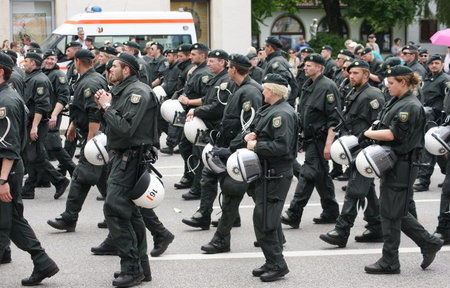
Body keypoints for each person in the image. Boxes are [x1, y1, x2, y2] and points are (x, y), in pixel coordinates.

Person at [362, 65, 443, 274]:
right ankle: (428, 242)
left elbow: (393, 135)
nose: (387, 86)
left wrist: (369, 133)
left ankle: (390, 261)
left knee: (390, 212)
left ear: (403, 83)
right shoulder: (397, 101)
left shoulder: (409, 106)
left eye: (391, 83)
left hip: (403, 164)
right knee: (394, 210)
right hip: (392, 162)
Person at [95, 53, 157, 287]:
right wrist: (105, 106)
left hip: (130, 159)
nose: (109, 71)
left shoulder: (137, 92)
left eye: (114, 67)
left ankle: (131, 268)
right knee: (130, 213)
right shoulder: (124, 90)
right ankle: (141, 267)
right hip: (122, 157)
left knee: (115, 209)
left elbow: (125, 128)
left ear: (127, 70)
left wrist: (107, 106)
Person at [0, 52, 60, 286]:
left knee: (10, 221)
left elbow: (9, 145)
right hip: (7, 170)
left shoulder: (6, 102)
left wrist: (3, 180)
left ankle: (42, 260)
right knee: (12, 219)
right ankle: (42, 261)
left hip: (7, 170)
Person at [200, 54, 263, 253]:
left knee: (234, 193)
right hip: (235, 149)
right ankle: (273, 235)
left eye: (228, 68)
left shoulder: (250, 92)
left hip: (242, 152)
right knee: (255, 194)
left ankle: (221, 240)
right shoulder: (238, 88)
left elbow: (250, 126)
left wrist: (231, 148)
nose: (227, 71)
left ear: (233, 69)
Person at [320, 59, 385, 248]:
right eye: (350, 72)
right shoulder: (353, 92)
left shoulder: (373, 95)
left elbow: (379, 126)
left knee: (354, 191)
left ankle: (341, 231)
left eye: (356, 73)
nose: (351, 76)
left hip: (366, 151)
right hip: (354, 149)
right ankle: (376, 226)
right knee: (368, 190)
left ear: (366, 74)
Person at [47, 49, 108, 231]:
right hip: (96, 139)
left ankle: (69, 218)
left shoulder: (91, 82)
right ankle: (116, 215)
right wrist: (73, 124)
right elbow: (81, 108)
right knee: (105, 180)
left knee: (80, 178)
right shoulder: (86, 79)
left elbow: (94, 115)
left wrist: (90, 145)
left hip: (96, 140)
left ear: (78, 62)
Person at [244, 73, 298, 282]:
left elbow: (281, 146)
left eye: (265, 88)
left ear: (274, 91)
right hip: (267, 173)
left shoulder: (281, 114)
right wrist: (252, 136)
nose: (262, 91)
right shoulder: (272, 110)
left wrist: (256, 145)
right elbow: (263, 132)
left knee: (265, 218)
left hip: (276, 173)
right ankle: (271, 260)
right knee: (267, 218)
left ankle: (278, 264)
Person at [281, 53, 340, 228]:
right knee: (320, 175)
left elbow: (334, 119)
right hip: (309, 138)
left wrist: (329, 143)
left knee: (307, 174)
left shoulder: (328, 86)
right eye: (305, 65)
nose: (305, 67)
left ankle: (294, 213)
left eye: (309, 65)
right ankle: (331, 211)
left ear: (320, 67)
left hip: (321, 139)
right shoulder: (307, 85)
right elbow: (304, 114)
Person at [181, 49, 232, 229]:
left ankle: (208, 215)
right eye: (208, 61)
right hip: (213, 133)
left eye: (212, 61)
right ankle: (222, 215)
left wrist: (196, 110)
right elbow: (207, 99)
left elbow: (218, 107)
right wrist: (191, 104)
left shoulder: (225, 81)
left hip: (220, 133)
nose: (209, 64)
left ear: (223, 62)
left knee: (215, 175)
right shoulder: (216, 79)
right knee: (214, 175)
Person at [21, 52, 70, 199]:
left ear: (33, 63)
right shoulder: (30, 77)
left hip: (37, 122)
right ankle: (29, 188)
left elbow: (41, 106)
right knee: (33, 156)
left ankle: (59, 180)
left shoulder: (40, 80)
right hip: (30, 122)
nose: (24, 64)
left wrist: (35, 126)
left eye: (26, 61)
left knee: (37, 156)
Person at [175, 43, 212, 199]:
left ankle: (198, 187)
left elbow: (206, 99)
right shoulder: (194, 70)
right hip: (189, 116)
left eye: (194, 54)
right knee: (184, 146)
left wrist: (189, 102)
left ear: (203, 56)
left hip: (199, 119)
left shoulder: (204, 74)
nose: (191, 57)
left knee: (198, 152)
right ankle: (189, 176)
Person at [413, 54, 450, 192]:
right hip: (426, 118)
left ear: (441, 64)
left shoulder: (445, 80)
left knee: (428, 149)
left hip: (438, 119)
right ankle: (448, 176)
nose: (434, 65)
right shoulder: (428, 78)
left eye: (436, 63)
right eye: (431, 63)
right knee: (439, 151)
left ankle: (424, 181)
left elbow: (447, 102)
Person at [41, 50, 76, 178]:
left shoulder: (58, 75)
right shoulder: (42, 72)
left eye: (53, 59)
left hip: (53, 115)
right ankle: (42, 178)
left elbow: (63, 97)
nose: (50, 61)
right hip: (42, 115)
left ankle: (73, 170)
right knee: (44, 146)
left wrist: (54, 115)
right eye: (48, 58)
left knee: (54, 145)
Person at [263, 36, 299, 106]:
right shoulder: (277, 60)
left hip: (277, 104)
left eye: (265, 47)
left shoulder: (276, 62)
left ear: (270, 48)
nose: (265, 50)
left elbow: (281, 84)